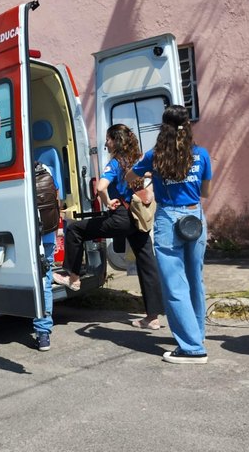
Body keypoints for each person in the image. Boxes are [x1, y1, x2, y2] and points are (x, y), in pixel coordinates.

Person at [53, 124, 164, 328]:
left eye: (108, 139)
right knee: (147, 263)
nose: (105, 142)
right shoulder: (136, 160)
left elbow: (100, 186)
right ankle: (153, 318)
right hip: (138, 218)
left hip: (121, 218)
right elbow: (151, 174)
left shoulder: (114, 164)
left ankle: (73, 276)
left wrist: (106, 200)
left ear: (115, 140)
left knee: (76, 229)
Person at [127, 105, 211, 364]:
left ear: (163, 127)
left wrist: (150, 175)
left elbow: (131, 176)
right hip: (194, 216)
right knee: (194, 279)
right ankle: (196, 334)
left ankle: (191, 348)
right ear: (188, 126)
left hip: (168, 218)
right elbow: (205, 192)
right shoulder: (201, 154)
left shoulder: (154, 156)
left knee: (175, 284)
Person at [34, 161, 59, 351]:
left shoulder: (18, 172)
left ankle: (41, 329)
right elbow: (55, 199)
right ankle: (43, 333)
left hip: (27, 234)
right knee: (45, 280)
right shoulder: (46, 167)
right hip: (48, 233)